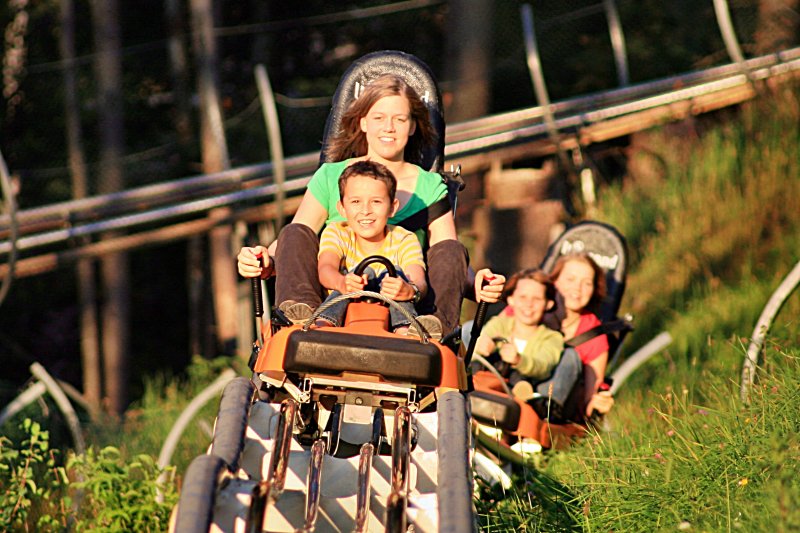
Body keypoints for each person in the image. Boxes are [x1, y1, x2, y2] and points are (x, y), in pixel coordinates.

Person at [237, 74, 504, 331]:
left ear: (412, 126)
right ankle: (301, 319)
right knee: (293, 233)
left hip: (406, 302)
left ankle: (430, 333)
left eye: (399, 119)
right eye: (379, 118)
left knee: (451, 249)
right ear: (363, 122)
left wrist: (477, 283)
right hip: (332, 295)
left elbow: (449, 256)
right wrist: (262, 259)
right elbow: (295, 236)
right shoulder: (331, 176)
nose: (389, 127)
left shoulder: (429, 187)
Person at [313, 160, 441, 337]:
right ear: (342, 208)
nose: (366, 210)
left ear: (392, 208)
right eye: (356, 201)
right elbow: (326, 269)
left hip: (389, 320)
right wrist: (342, 282)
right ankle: (323, 322)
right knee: (363, 273)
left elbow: (418, 279)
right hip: (345, 317)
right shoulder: (337, 232)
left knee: (394, 273)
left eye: (376, 201)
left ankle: (405, 329)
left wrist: (409, 289)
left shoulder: (404, 239)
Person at [543, 253, 615, 421]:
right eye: (570, 279)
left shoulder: (594, 336)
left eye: (587, 283)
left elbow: (590, 398)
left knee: (569, 358)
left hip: (555, 413)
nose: (578, 288)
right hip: (510, 393)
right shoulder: (530, 307)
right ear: (555, 281)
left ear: (594, 290)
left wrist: (599, 403)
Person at [472, 269, 564, 392]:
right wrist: (481, 346)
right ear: (511, 299)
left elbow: (543, 367)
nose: (529, 304)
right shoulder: (499, 324)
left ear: (548, 304)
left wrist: (519, 360)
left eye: (536, 299)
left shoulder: (552, 337)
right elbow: (475, 349)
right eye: (523, 297)